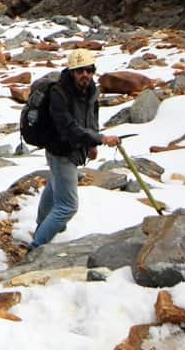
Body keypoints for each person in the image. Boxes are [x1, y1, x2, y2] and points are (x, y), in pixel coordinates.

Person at [30, 48, 121, 249]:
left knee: (54, 185)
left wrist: (92, 144)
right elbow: (68, 128)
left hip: (72, 148)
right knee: (67, 206)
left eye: (89, 70)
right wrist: (101, 139)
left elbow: (91, 117)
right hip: (61, 150)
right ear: (71, 72)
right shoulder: (59, 93)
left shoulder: (90, 90)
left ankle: (41, 227)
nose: (85, 75)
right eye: (80, 70)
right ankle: (36, 246)